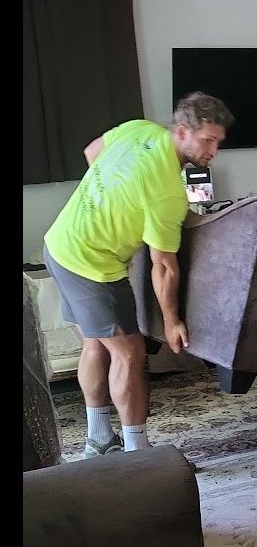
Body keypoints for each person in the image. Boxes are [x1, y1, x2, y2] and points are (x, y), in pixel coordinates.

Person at [42, 92, 234, 459]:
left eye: (218, 142)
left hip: (60, 244)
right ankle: (138, 456)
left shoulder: (138, 130)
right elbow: (163, 266)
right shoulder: (166, 191)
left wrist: (112, 202)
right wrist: (173, 321)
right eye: (207, 140)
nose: (213, 151)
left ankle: (99, 440)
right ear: (182, 132)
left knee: (97, 343)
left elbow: (92, 152)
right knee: (130, 354)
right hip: (91, 265)